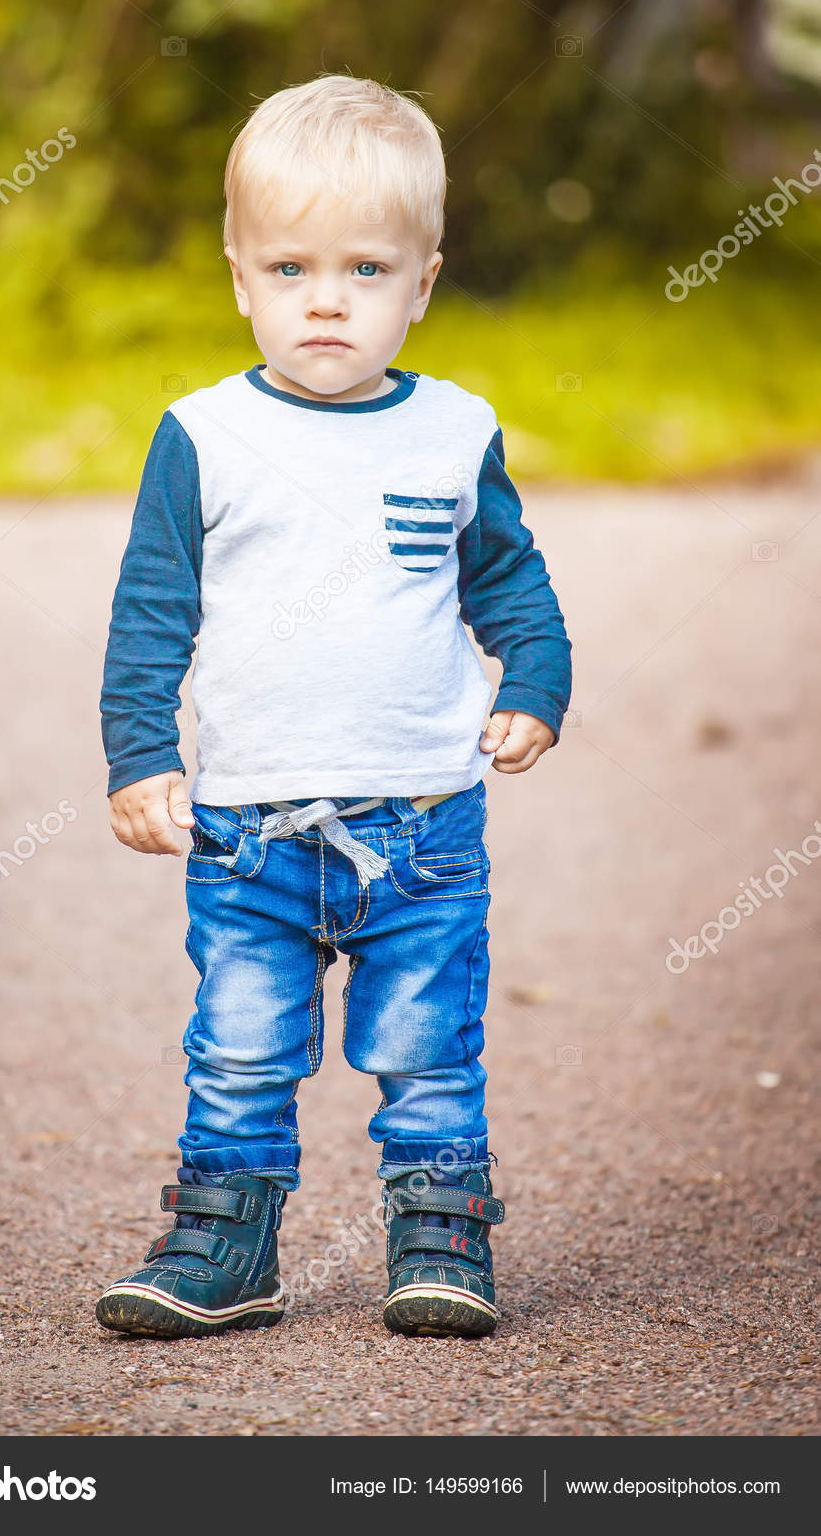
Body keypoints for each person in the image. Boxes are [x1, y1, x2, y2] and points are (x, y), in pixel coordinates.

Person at [94, 74, 571, 1341]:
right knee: (239, 1046)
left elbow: (507, 577)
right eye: (289, 265)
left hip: (421, 816)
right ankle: (225, 1241)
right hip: (248, 823)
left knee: (425, 1047)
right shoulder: (200, 433)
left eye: (365, 267)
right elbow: (152, 610)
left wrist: (533, 680)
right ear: (238, 278)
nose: (324, 298)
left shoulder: (451, 429)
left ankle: (438, 1233)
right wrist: (140, 752)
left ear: (420, 284)